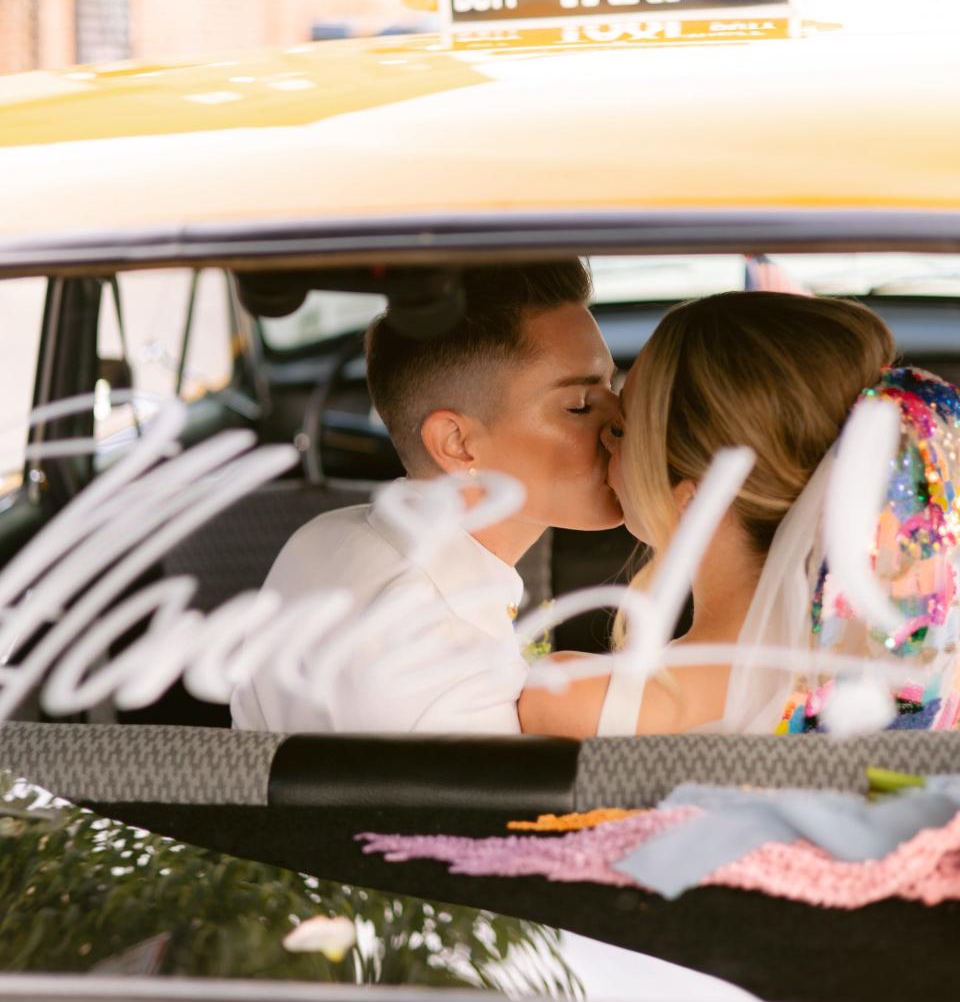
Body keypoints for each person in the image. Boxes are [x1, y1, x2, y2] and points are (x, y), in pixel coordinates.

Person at [520, 290, 960, 738]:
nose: (606, 439)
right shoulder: (928, 698)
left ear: (696, 503)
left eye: (625, 428)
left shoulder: (569, 699)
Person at [231, 261, 621, 735]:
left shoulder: (319, 539)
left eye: (612, 388)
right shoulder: (448, 659)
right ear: (457, 443)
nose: (622, 422)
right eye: (579, 405)